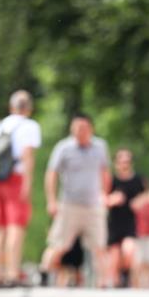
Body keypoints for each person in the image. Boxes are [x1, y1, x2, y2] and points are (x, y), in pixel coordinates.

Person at [39, 114, 111, 287]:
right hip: (69, 204)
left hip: (93, 205)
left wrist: (105, 194)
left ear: (91, 129)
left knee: (99, 246)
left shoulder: (100, 147)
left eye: (84, 128)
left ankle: (104, 282)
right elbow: (51, 174)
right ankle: (43, 274)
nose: (80, 132)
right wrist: (51, 200)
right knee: (59, 244)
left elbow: (105, 172)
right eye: (77, 128)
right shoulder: (64, 148)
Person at [0, 90, 41, 287]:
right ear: (29, 109)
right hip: (16, 178)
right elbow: (28, 155)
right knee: (16, 227)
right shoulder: (29, 126)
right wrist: (28, 183)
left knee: (0, 229)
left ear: (11, 107)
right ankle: (12, 274)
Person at [105, 149, 144, 287]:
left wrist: (139, 202)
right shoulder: (111, 180)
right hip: (114, 223)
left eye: (127, 162)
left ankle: (125, 273)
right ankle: (117, 283)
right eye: (121, 162)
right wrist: (111, 200)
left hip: (129, 223)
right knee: (114, 258)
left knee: (129, 251)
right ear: (116, 163)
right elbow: (101, 199)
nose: (124, 164)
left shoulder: (137, 179)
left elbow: (146, 195)